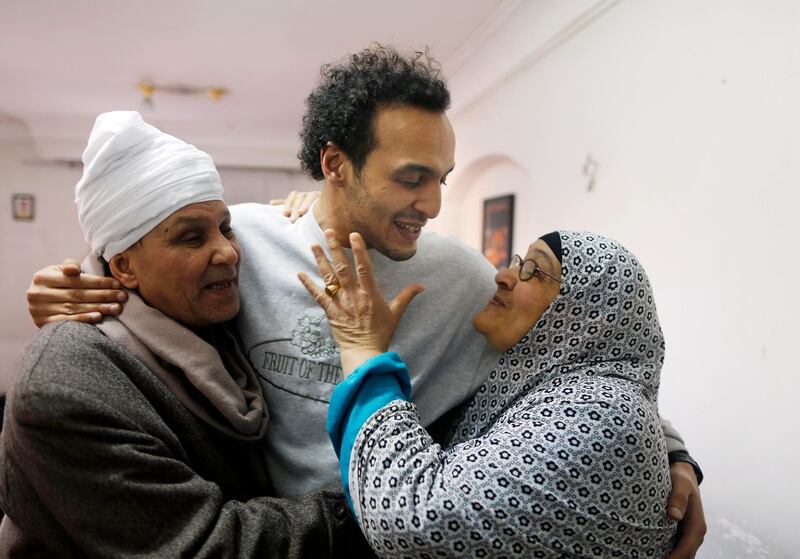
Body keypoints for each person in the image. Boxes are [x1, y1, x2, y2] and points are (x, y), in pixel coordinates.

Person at [24, 46, 706, 555]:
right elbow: (137, 282)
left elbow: (572, 358)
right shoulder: (243, 246)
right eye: (412, 178)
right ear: (335, 164)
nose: (433, 204)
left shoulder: (463, 276)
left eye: (442, 178)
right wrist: (68, 291)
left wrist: (669, 453)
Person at [0, 112, 368, 557]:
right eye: (191, 238)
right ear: (123, 267)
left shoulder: (213, 319)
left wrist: (323, 212)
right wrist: (382, 502)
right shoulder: (67, 382)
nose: (228, 251)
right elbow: (204, 546)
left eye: (225, 227)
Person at [302, 229, 681, 557]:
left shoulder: (605, 412)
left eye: (534, 269)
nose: (502, 276)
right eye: (518, 262)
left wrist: (363, 349)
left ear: (587, 315)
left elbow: (413, 520)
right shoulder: (543, 383)